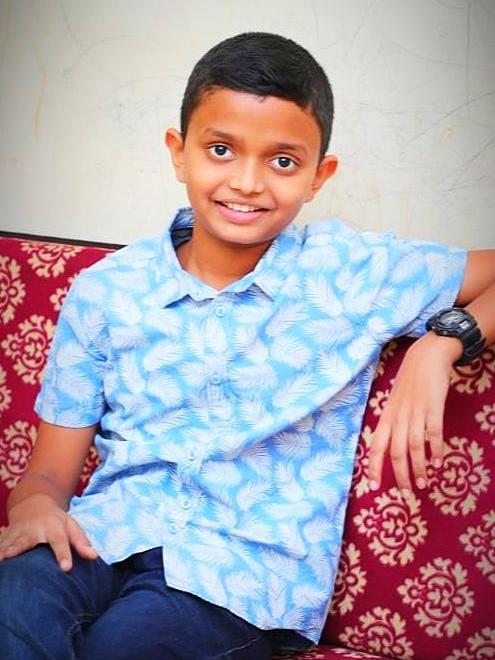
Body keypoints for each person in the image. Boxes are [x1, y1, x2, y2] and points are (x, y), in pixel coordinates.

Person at [0, 32, 493, 660]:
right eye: (220, 150)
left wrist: (443, 342)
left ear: (319, 176)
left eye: (283, 161)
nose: (248, 182)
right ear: (179, 153)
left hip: (239, 578)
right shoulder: (107, 291)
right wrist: (36, 507)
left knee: (123, 647)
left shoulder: (348, 274)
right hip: (105, 534)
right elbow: (48, 474)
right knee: (14, 602)